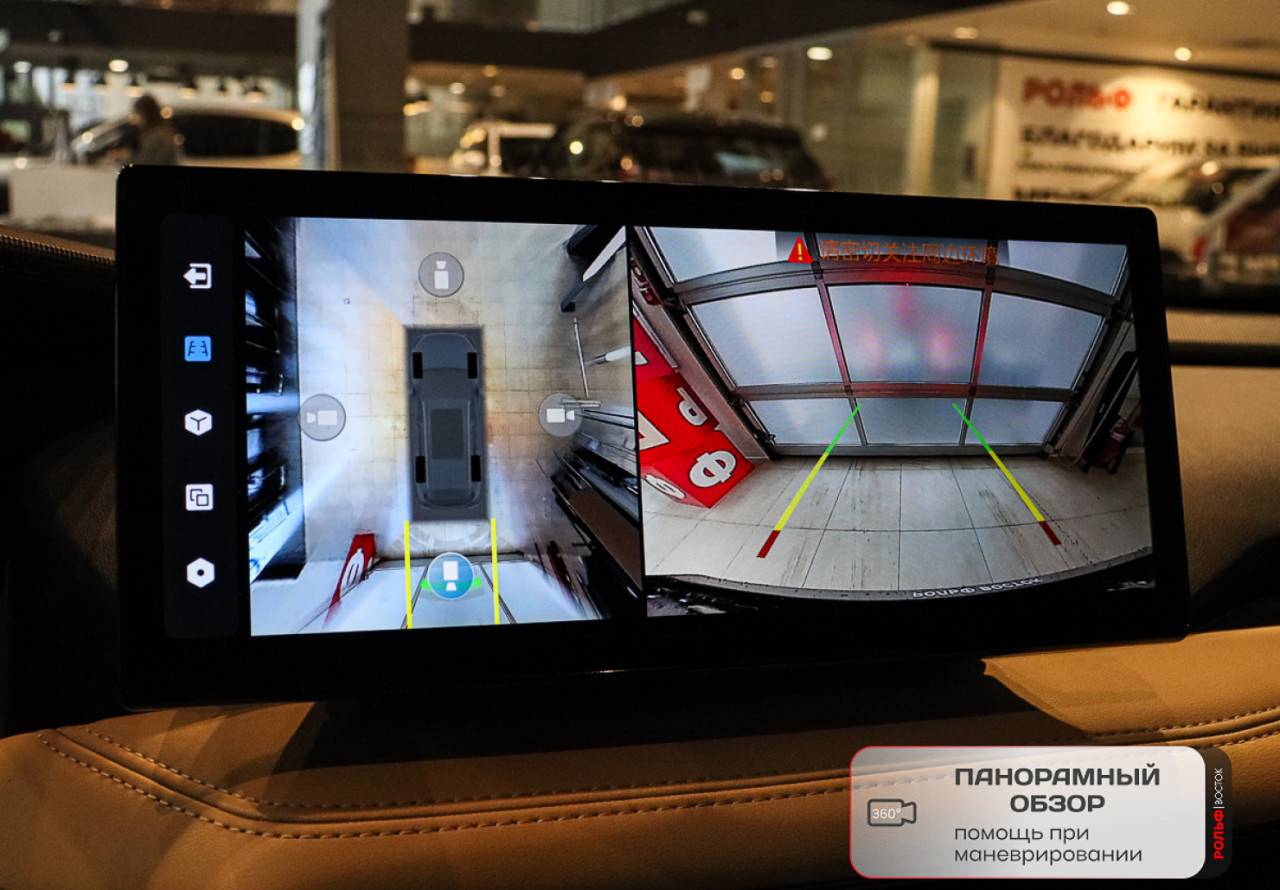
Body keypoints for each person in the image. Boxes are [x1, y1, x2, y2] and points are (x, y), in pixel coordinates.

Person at [129, 94, 180, 165]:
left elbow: (148, 161)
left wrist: (126, 158)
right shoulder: (162, 131)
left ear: (146, 114)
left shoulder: (158, 136)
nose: (136, 118)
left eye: (138, 114)